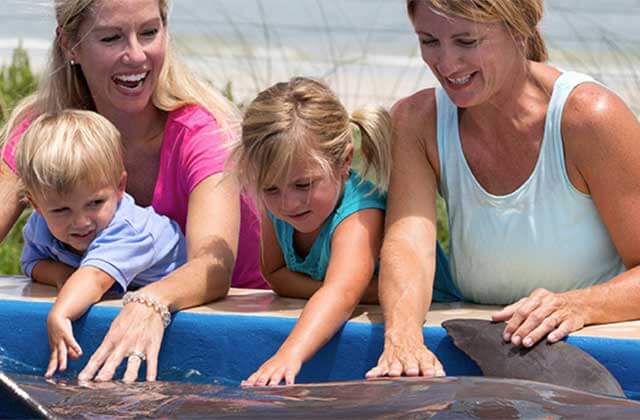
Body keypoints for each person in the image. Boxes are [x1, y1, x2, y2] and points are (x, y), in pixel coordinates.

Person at [366, 0, 640, 380]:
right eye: (429, 40)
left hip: (589, 361)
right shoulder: (417, 121)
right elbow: (409, 244)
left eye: (466, 41)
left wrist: (580, 304)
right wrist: (402, 336)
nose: (445, 64)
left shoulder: (588, 117)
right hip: (480, 350)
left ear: (519, 28)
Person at [0, 0, 265, 382]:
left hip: (236, 333)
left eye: (149, 32)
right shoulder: (44, 136)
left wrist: (151, 301)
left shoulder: (201, 134)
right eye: (111, 37)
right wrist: (61, 276)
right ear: (69, 45)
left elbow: (213, 266)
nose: (136, 55)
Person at [230, 77, 453, 386]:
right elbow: (275, 273)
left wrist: (289, 354)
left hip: (439, 310)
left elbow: (341, 294)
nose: (288, 203)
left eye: (303, 184)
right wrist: (339, 291)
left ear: (345, 160)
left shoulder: (362, 213)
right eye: (270, 188)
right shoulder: (277, 204)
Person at [16, 110, 187, 377]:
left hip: (180, 290)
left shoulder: (127, 229)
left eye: (95, 203)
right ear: (36, 205)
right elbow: (32, 263)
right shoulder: (42, 224)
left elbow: (95, 278)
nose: (81, 221)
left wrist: (60, 313)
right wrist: (65, 276)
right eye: (62, 210)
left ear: (120, 186)